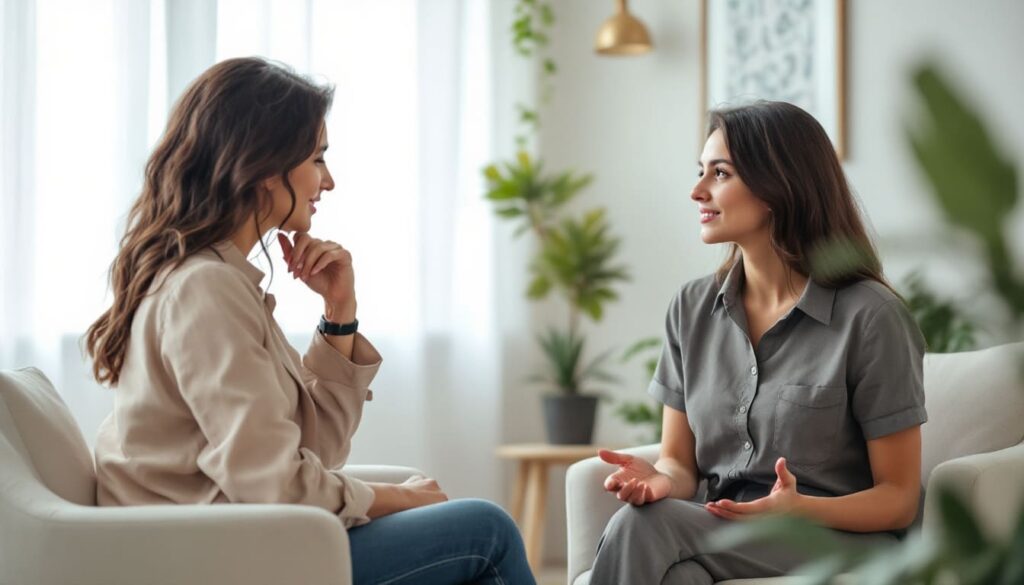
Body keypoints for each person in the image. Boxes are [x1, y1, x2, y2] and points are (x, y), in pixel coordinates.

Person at [86, 57, 534, 585]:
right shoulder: (205, 289)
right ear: (263, 166)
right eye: (317, 158)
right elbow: (273, 485)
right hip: (210, 558)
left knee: (469, 527)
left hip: (233, 540)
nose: (329, 181)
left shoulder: (220, 281)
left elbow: (313, 451)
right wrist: (396, 498)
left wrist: (339, 315)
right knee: (487, 530)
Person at [590, 101, 927, 584]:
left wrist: (800, 508)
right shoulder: (691, 308)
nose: (697, 190)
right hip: (722, 532)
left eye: (720, 173)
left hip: (837, 541)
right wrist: (661, 479)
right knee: (676, 575)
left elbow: (898, 499)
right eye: (701, 171)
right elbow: (679, 462)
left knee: (644, 526)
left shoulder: (871, 317)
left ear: (777, 187)